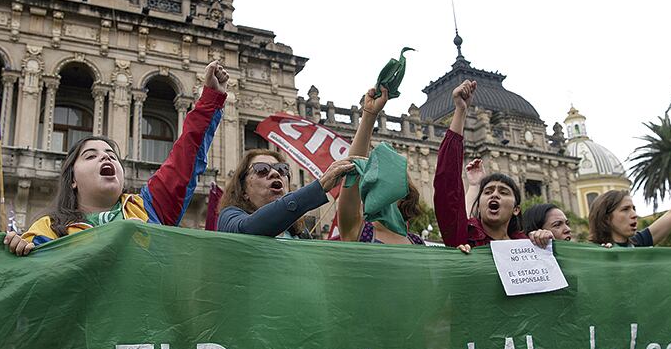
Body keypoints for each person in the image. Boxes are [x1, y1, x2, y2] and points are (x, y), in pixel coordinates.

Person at [7, 60, 229, 255]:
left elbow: (186, 155)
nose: (106, 158)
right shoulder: (47, 230)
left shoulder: (149, 208)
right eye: (90, 156)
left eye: (111, 155)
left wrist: (211, 98)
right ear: (72, 178)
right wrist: (17, 250)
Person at [434, 80, 545, 252]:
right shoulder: (465, 239)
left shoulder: (530, 246)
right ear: (479, 204)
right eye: (487, 191)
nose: (494, 194)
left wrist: (547, 241)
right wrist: (461, 110)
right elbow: (447, 183)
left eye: (503, 192)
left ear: (516, 209)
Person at [337, 86, 426, 244]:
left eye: (388, 181)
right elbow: (354, 165)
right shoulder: (359, 232)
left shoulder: (416, 243)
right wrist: (369, 115)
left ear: (404, 196)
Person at [588, 137, 671, 248]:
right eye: (625, 209)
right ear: (606, 218)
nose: (634, 215)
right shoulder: (592, 253)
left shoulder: (639, 243)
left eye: (634, 209)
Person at [217, 149, 356, 238]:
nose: (275, 173)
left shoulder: (300, 234)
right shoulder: (229, 217)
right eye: (261, 169)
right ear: (243, 191)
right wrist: (318, 187)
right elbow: (248, 229)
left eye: (282, 169)